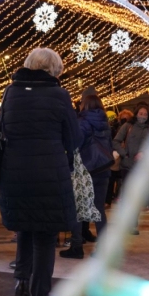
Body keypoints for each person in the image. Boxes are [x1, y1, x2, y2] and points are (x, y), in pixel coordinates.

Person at [0, 48, 82, 296]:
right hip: (50, 173)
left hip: (15, 173)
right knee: (45, 236)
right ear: (54, 69)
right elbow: (74, 137)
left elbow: (2, 129)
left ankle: (22, 279)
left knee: (25, 227)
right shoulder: (59, 95)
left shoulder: (10, 93)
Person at [61, 92, 111, 258]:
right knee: (99, 210)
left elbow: (75, 145)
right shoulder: (105, 123)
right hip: (103, 169)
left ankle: (76, 246)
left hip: (84, 170)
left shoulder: (82, 122)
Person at [112, 103, 149, 234]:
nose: (143, 116)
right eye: (140, 114)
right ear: (136, 114)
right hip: (127, 166)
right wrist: (124, 153)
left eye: (145, 114)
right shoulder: (127, 126)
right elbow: (116, 141)